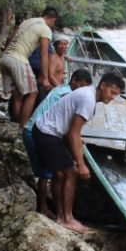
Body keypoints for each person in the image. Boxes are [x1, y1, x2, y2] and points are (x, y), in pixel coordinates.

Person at [32, 71, 126, 233]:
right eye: (112, 92)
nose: (112, 97)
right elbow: (73, 134)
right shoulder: (88, 100)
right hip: (47, 133)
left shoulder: (88, 94)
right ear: (102, 86)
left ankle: (61, 217)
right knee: (71, 172)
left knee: (60, 174)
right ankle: (67, 219)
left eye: (116, 95)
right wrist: (81, 164)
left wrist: (76, 149)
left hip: (46, 130)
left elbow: (74, 131)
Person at [23, 68, 93, 218]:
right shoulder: (68, 93)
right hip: (38, 130)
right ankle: (43, 208)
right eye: (81, 86)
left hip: (34, 128)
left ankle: (48, 208)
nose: (82, 91)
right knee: (47, 172)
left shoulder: (61, 88)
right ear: (73, 81)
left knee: (50, 171)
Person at [0, 6, 58, 129]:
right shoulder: (46, 29)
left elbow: (9, 37)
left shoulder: (27, 21)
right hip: (19, 60)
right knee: (32, 93)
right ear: (53, 20)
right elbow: (44, 54)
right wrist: (45, 78)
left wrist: (6, 53)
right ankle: (22, 128)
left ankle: (15, 125)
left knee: (17, 94)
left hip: (5, 58)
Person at [34, 33, 68, 108]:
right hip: (45, 89)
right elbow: (50, 76)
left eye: (65, 44)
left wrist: (67, 57)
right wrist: (61, 89)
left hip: (52, 89)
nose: (63, 47)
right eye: (60, 44)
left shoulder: (61, 57)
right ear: (55, 45)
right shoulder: (53, 57)